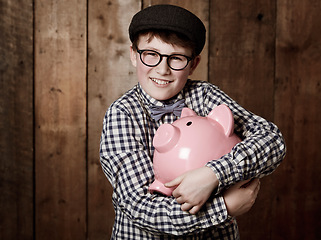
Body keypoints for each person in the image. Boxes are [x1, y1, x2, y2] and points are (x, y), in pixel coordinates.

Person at [100, 4, 286, 239]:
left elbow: (272, 140)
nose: (162, 69)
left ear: (193, 64)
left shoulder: (205, 96)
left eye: (176, 58)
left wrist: (214, 174)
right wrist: (224, 208)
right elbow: (141, 209)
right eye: (151, 55)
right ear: (134, 55)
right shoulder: (122, 114)